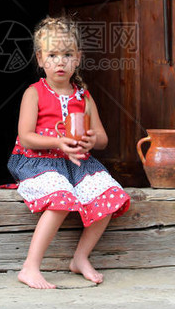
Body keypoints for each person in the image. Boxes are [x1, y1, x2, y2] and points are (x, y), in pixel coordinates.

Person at [8, 16, 131, 289]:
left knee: (110, 196)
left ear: (78, 59)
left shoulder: (83, 96)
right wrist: (57, 143)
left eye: (67, 55)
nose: (60, 61)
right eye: (52, 55)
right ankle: (30, 267)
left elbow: (102, 138)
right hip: (37, 161)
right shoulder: (35, 93)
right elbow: (26, 136)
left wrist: (89, 141)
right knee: (61, 200)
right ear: (40, 59)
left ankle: (80, 257)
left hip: (75, 162)